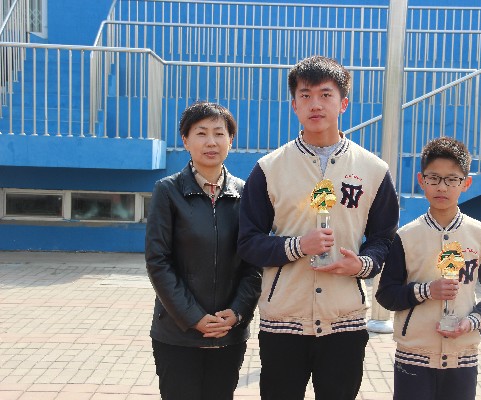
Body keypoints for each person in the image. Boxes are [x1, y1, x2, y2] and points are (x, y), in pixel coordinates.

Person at [237, 55, 400, 399]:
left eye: (325, 95)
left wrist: (363, 264)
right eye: (305, 95)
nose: (315, 104)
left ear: (343, 103)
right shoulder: (269, 168)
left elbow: (384, 238)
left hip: (345, 320)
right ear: (294, 105)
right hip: (284, 319)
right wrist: (297, 246)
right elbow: (248, 242)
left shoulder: (373, 170)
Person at [375, 137, 481, 400]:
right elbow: (386, 295)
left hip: (462, 354)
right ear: (421, 180)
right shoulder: (406, 236)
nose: (442, 187)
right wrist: (426, 291)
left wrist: (474, 321)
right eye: (434, 178)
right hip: (414, 354)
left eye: (452, 179)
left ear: (466, 183)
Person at [145, 101, 262, 400]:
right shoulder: (167, 191)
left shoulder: (246, 194)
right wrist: (193, 317)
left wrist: (237, 313)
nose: (211, 142)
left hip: (228, 333)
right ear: (185, 140)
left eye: (219, 133)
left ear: (230, 140)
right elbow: (158, 261)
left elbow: (254, 264)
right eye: (201, 133)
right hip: (178, 334)